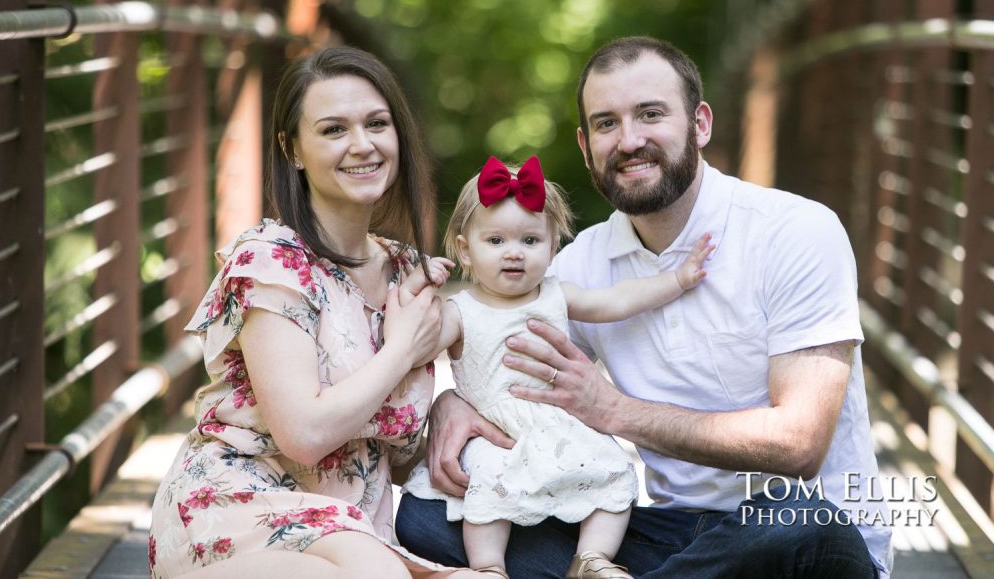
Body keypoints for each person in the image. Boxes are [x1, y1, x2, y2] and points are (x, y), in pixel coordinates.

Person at [395, 36, 893, 578]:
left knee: (803, 522)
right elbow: (503, 358)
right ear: (586, 147)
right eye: (607, 123)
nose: (629, 140)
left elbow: (799, 445)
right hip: (664, 536)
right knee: (428, 516)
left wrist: (613, 411)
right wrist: (454, 403)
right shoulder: (574, 267)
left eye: (650, 114)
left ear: (700, 124)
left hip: (791, 536)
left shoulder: (794, 230)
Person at [148, 46, 488, 579]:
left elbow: (384, 451)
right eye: (333, 130)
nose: (363, 145)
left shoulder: (406, 273)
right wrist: (402, 350)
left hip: (350, 531)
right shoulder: (272, 262)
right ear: (294, 150)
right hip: (243, 516)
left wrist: (447, 407)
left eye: (378, 123)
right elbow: (304, 435)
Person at [400, 155, 714, 579]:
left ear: (553, 248)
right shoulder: (460, 312)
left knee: (611, 471)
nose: (514, 253)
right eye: (495, 241)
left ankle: (592, 559)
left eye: (530, 241)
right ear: (464, 250)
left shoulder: (556, 295)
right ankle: (489, 567)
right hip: (497, 430)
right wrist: (416, 286)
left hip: (557, 424)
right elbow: (410, 348)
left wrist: (676, 280)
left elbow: (618, 299)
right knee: (489, 484)